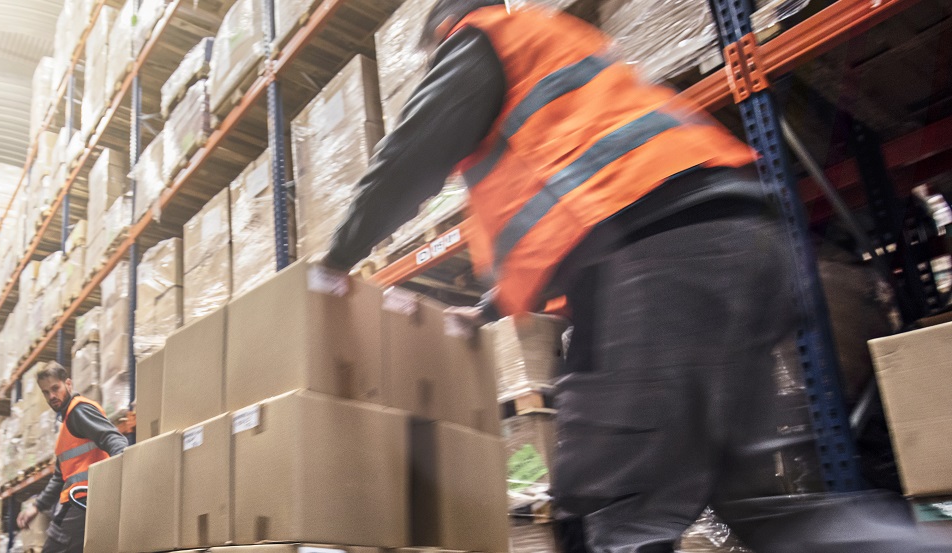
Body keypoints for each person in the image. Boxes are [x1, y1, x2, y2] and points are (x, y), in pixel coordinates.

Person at [316, 1, 952, 552]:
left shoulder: (481, 43)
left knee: (608, 501)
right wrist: (483, 312)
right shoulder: (550, 51)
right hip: (734, 243)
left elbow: (404, 163)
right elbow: (559, 214)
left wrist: (332, 265)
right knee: (764, 511)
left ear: (443, 27)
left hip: (660, 256)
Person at [17, 363, 127, 553]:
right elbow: (60, 476)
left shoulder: (79, 411)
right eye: (46, 392)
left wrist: (126, 478)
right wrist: (37, 506)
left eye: (55, 388)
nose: (51, 396)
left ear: (68, 384)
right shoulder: (67, 425)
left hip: (85, 500)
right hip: (79, 501)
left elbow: (113, 439)